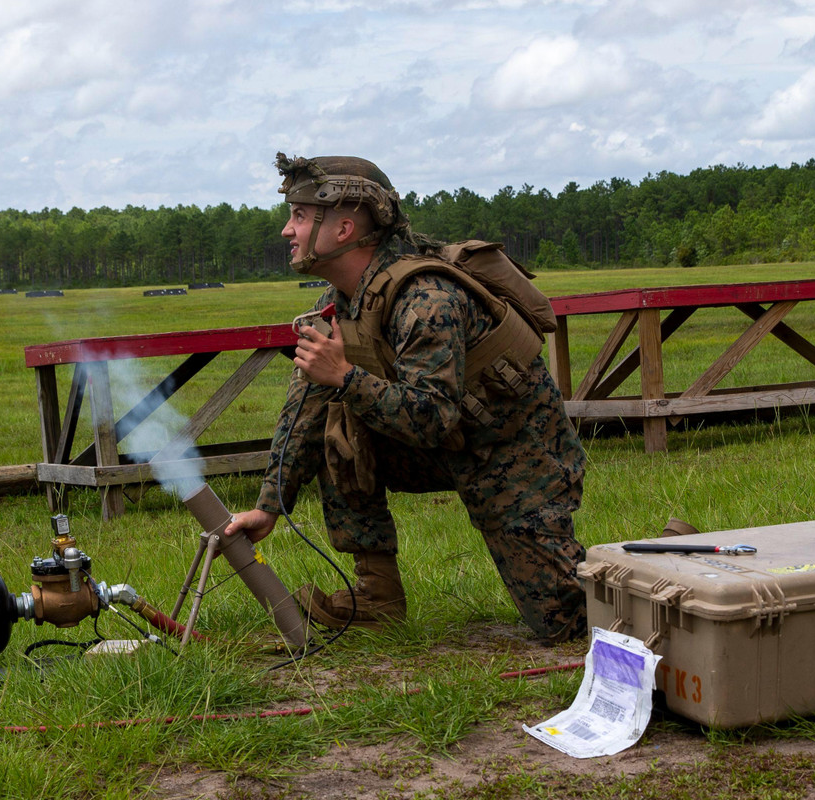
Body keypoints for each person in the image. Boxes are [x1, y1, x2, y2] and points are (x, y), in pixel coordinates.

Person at [224, 153, 588, 644]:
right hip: (447, 447)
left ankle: (670, 560)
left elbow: (434, 417)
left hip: (511, 455)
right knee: (338, 428)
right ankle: (378, 596)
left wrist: (346, 377)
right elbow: (304, 413)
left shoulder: (427, 298)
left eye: (300, 216)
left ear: (345, 228)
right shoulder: (338, 304)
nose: (287, 230)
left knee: (568, 621)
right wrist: (269, 505)